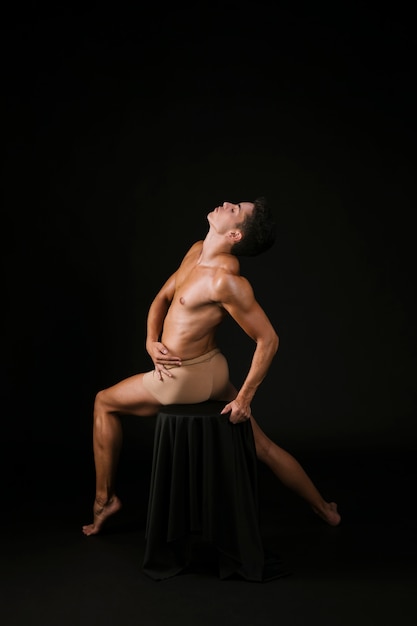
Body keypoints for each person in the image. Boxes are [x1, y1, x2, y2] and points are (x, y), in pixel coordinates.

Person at [82, 197, 341, 536]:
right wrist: (150, 340)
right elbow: (162, 298)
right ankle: (326, 511)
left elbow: (269, 340)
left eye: (235, 210)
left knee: (104, 402)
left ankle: (104, 501)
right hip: (212, 370)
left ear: (235, 235)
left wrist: (245, 399)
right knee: (262, 447)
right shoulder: (196, 251)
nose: (226, 203)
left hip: (181, 379)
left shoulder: (225, 281)